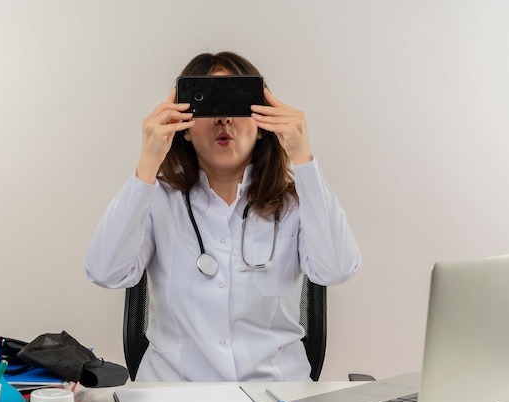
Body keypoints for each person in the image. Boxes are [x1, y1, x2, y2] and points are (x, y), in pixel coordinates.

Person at [84, 51, 361, 382]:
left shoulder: (297, 202)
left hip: (277, 396)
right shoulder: (156, 198)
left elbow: (337, 268)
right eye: (210, 104)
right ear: (184, 127)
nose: (224, 119)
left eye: (237, 103)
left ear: (262, 125)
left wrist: (303, 159)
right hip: (173, 397)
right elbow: (104, 272)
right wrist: (147, 164)